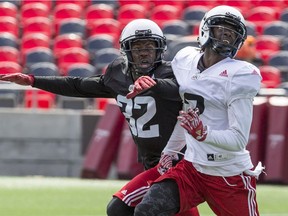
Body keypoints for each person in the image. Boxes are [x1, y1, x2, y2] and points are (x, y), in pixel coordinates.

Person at [0, 19, 199, 216]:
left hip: (179, 162)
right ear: (126, 50)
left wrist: (155, 85)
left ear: (160, 49)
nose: (144, 52)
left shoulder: (171, 73)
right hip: (153, 162)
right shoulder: (118, 75)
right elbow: (78, 85)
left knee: (121, 208)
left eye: (150, 46)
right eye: (137, 47)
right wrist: (34, 80)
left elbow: (186, 92)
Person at [129, 6, 265, 216]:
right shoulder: (185, 59)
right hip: (192, 169)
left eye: (232, 30)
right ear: (205, 28)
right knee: (146, 211)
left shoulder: (240, 75)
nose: (227, 34)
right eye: (222, 27)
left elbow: (238, 139)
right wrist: (171, 151)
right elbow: (188, 113)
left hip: (228, 173)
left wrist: (203, 133)